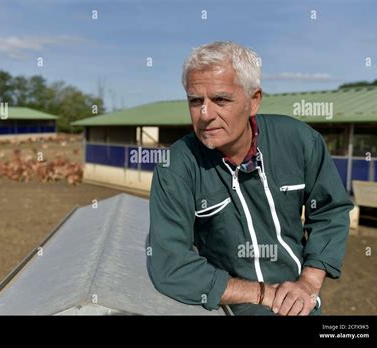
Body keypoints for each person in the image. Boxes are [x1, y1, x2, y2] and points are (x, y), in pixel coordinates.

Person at [146, 41, 353, 315]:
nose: (205, 114)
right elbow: (169, 264)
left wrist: (309, 282)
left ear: (254, 100)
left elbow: (330, 210)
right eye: (196, 101)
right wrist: (263, 294)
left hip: (299, 301)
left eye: (221, 99)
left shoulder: (300, 141)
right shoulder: (177, 165)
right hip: (230, 304)